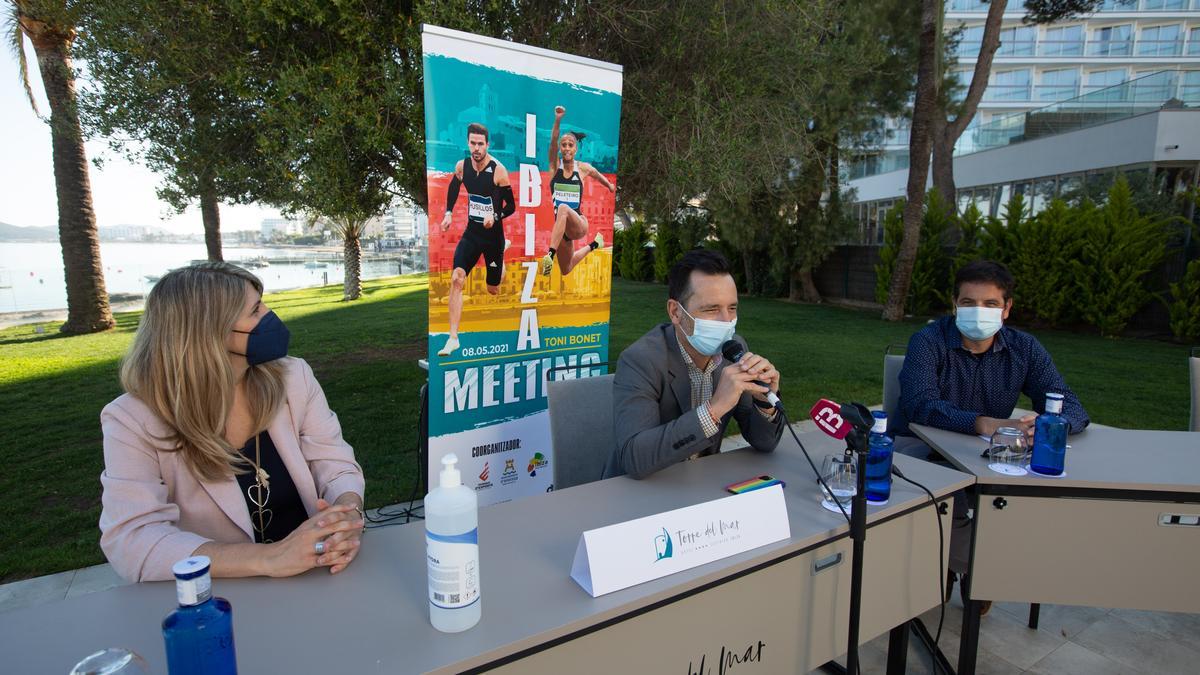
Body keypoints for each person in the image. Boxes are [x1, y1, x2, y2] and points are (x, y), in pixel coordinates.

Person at [99, 263, 366, 582]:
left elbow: (334, 463)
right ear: (210, 333)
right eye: (255, 310)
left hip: (319, 574)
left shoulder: (293, 377)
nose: (269, 315)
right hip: (219, 595)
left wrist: (347, 512)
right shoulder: (132, 420)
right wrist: (269, 559)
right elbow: (132, 540)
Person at [893, 259, 1089, 610]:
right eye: (968, 303)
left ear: (1007, 309)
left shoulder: (1024, 349)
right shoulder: (928, 341)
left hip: (991, 454)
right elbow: (919, 405)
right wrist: (985, 424)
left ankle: (975, 569)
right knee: (952, 495)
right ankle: (957, 568)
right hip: (922, 445)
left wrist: (1045, 427)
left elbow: (1070, 405)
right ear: (954, 305)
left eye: (990, 304)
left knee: (1017, 498)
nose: (978, 311)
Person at [604, 250, 784, 479]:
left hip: (699, 484)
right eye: (711, 309)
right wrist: (714, 409)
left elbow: (765, 442)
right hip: (641, 490)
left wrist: (764, 401)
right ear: (676, 312)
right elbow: (635, 458)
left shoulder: (734, 349)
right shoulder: (641, 360)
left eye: (732, 308)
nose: (726, 322)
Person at [437, 122, 516, 357]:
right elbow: (454, 185)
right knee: (457, 279)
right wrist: (449, 213)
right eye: (473, 143)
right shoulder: (462, 166)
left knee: (493, 289)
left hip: (493, 236)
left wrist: (495, 216)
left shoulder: (499, 170)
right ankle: (453, 338)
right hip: (472, 233)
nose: (477, 148)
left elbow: (510, 206)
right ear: (468, 143)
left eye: (481, 144)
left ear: (487, 145)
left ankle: (503, 255)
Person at [539, 105, 614, 277]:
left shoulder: (581, 168)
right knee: (566, 269)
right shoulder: (554, 167)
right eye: (563, 145)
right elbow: (552, 142)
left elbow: (596, 174)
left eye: (570, 145)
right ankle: (595, 245)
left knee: (564, 208)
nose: (566, 148)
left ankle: (549, 255)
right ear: (560, 149)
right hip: (563, 232)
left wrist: (609, 185)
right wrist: (557, 120)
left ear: (575, 149)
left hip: (578, 224)